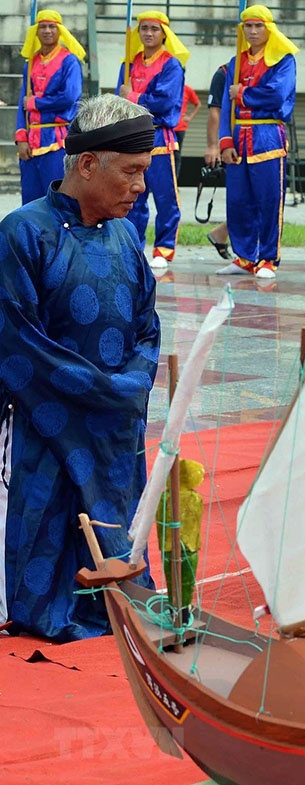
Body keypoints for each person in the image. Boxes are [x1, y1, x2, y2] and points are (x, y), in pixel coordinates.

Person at [0, 94, 161, 641]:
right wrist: (97, 391)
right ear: (88, 163)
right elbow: (16, 341)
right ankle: (42, 610)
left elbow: (148, 326)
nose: (141, 187)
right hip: (49, 419)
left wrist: (131, 385)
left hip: (117, 419)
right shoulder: (23, 233)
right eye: (133, 172)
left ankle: (109, 607)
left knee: (116, 524)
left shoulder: (125, 234)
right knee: (48, 522)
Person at [216, 4, 298, 280]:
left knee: (268, 200)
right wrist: (225, 141)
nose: (252, 31)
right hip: (238, 137)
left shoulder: (283, 60)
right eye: (248, 26)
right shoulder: (235, 62)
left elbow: (276, 95)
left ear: (269, 28)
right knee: (238, 201)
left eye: (258, 26)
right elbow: (227, 103)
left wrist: (244, 92)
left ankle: (268, 258)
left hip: (267, 137)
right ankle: (244, 256)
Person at [117, 10, 188, 271]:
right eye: (144, 28)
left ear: (163, 33)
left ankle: (164, 248)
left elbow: (164, 101)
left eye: (154, 29)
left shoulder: (171, 65)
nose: (148, 33)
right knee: (132, 196)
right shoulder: (129, 64)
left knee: (165, 197)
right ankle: (133, 246)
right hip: (131, 138)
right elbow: (118, 100)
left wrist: (133, 96)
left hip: (158, 136)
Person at [14, 10, 85, 205]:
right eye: (42, 26)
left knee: (58, 198)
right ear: (36, 31)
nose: (47, 31)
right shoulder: (30, 63)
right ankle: (33, 237)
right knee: (30, 202)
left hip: (57, 139)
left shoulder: (69, 61)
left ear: (60, 30)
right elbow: (22, 103)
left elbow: (70, 96)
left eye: (52, 26)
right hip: (31, 141)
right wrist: (20, 137)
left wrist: (36, 103)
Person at [204, 63, 230, 259]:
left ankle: (221, 233)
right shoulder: (224, 72)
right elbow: (215, 111)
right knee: (243, 200)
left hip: (261, 143)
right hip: (233, 145)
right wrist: (213, 146)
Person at [174, 83, 202, 172]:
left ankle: (175, 180)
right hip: (167, 127)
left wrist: (190, 117)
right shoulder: (169, 86)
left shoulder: (187, 89)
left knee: (176, 154)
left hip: (180, 127)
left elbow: (198, 104)